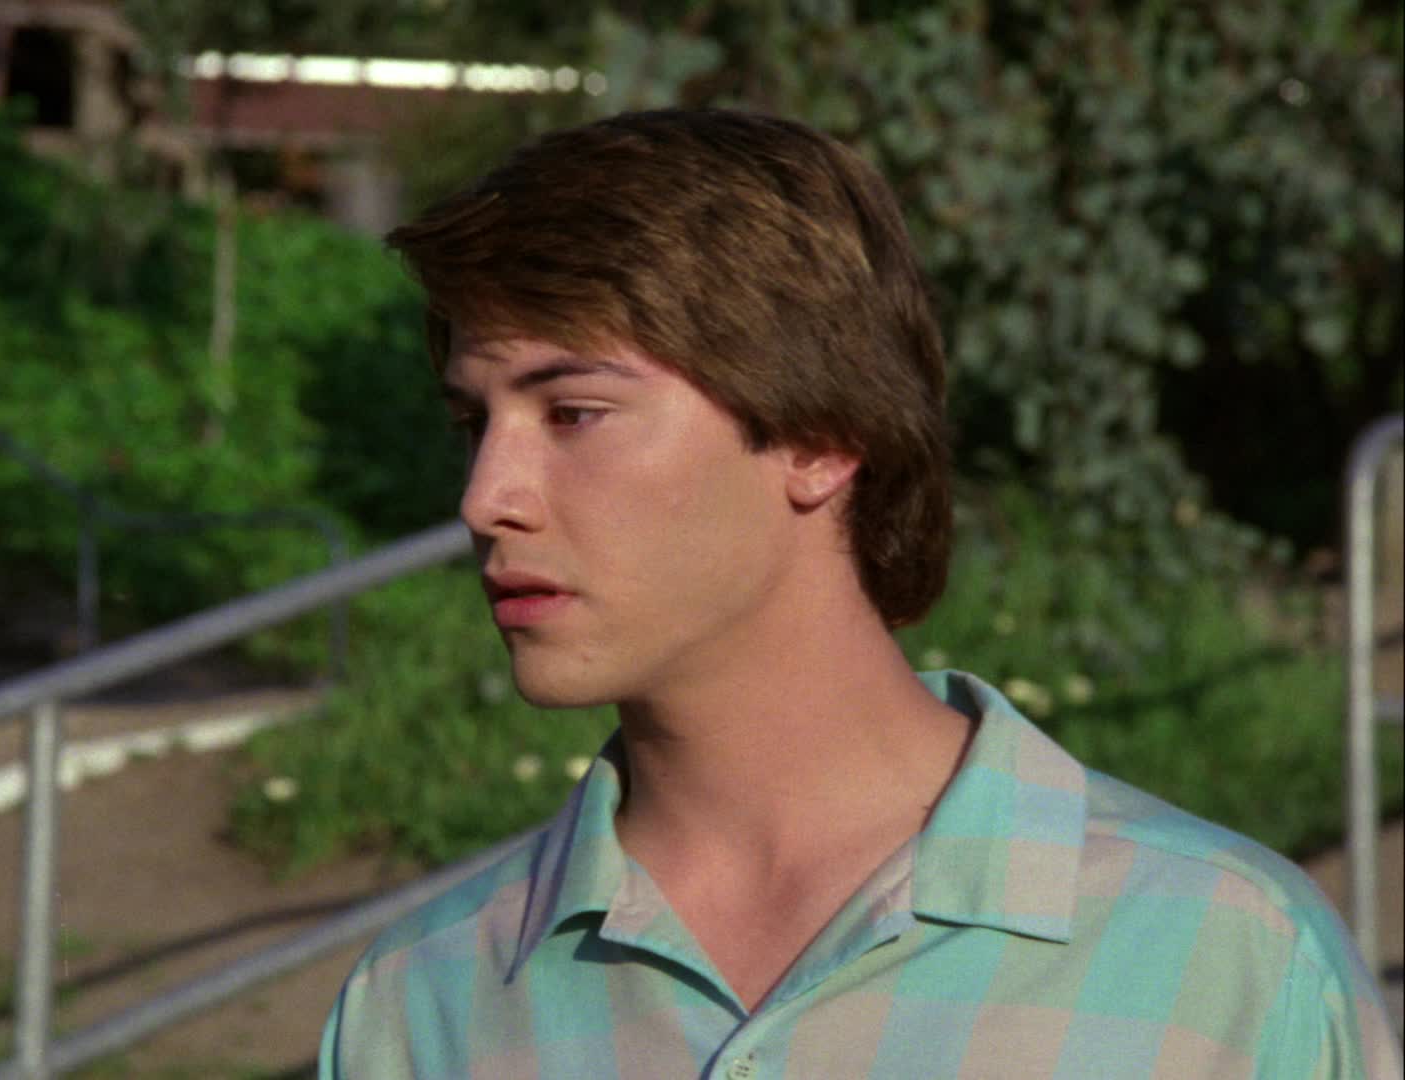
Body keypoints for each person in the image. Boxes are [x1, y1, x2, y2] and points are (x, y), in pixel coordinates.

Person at [320, 109, 1400, 1079]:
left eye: (573, 413)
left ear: (821, 435)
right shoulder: (420, 1005)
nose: (485, 498)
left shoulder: (1229, 962)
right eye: (474, 423)